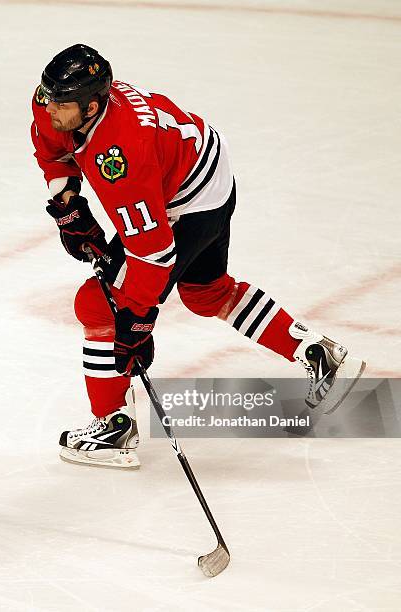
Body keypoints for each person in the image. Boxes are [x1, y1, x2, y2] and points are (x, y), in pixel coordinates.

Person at [31, 44, 365, 469]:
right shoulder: (56, 101)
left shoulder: (120, 156)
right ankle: (316, 351)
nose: (49, 108)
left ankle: (112, 426)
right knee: (206, 293)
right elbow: (51, 146)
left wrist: (136, 321)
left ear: (92, 106)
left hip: (189, 200)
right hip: (205, 168)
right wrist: (68, 205)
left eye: (60, 104)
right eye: (47, 96)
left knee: (99, 306)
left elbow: (154, 254)